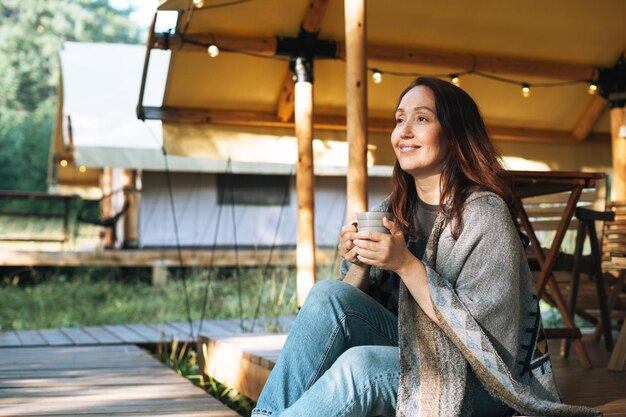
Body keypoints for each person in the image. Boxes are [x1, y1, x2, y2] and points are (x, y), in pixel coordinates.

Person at [250, 77, 600, 417]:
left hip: (484, 379)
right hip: (412, 350)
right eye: (399, 119)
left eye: (421, 118)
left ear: (454, 135)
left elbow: (484, 343)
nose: (404, 131)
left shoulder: (484, 215)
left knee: (362, 367)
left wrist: (405, 264)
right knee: (329, 295)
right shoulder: (388, 211)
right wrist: (359, 264)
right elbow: (341, 320)